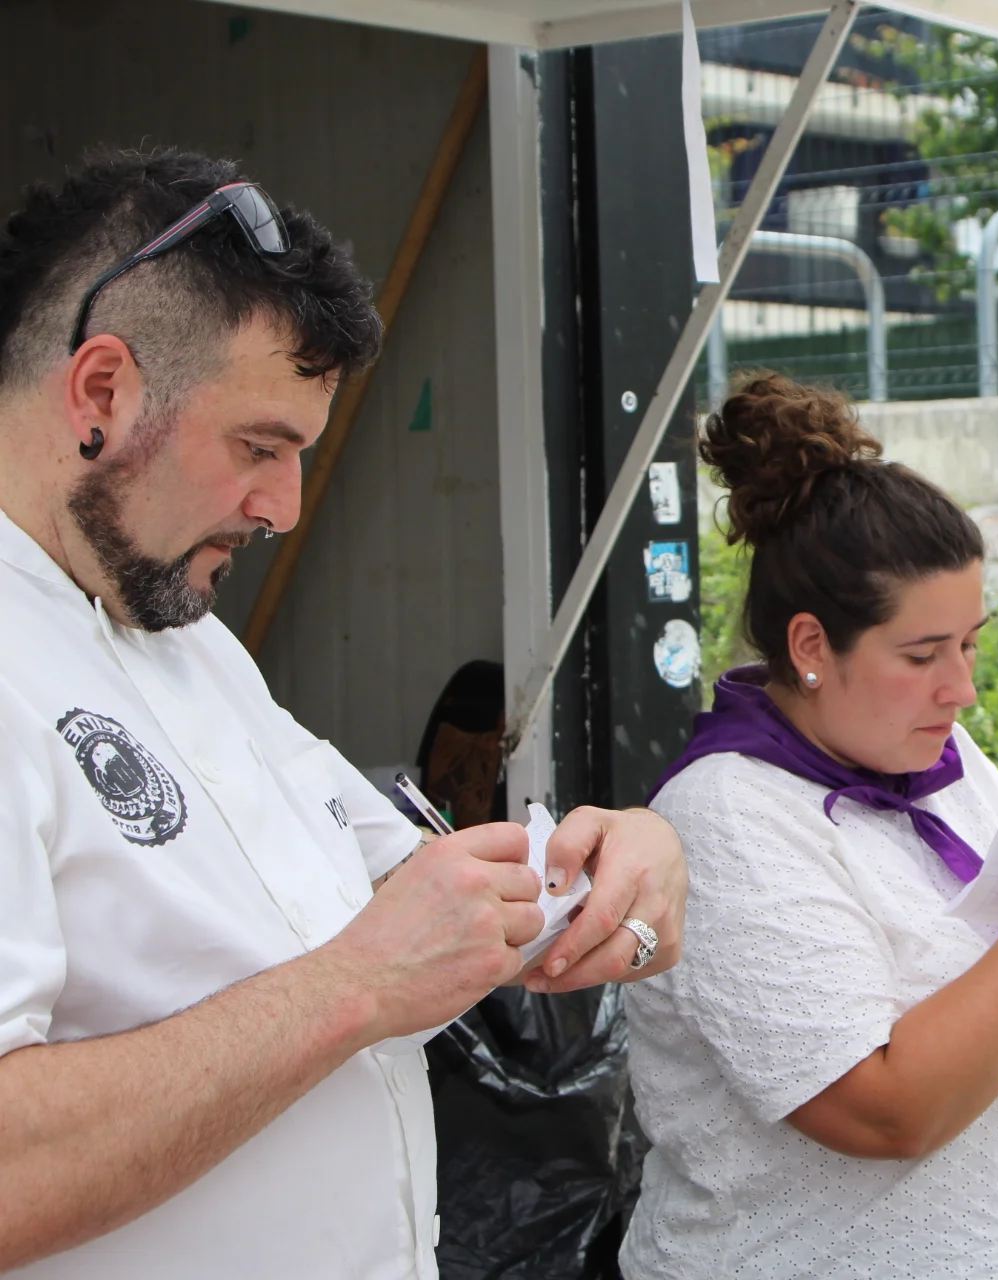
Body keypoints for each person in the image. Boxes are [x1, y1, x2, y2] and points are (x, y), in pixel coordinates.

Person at [0, 149, 687, 1278]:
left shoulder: (182, 636)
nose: (282, 507)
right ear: (101, 392)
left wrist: (619, 861)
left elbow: (413, 887)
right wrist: (354, 987)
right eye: (258, 447)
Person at [620, 375, 998, 1279]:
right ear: (810, 647)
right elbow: (885, 1113)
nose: (963, 688)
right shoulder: (731, 815)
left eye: (971, 643)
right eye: (922, 656)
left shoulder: (945, 759)